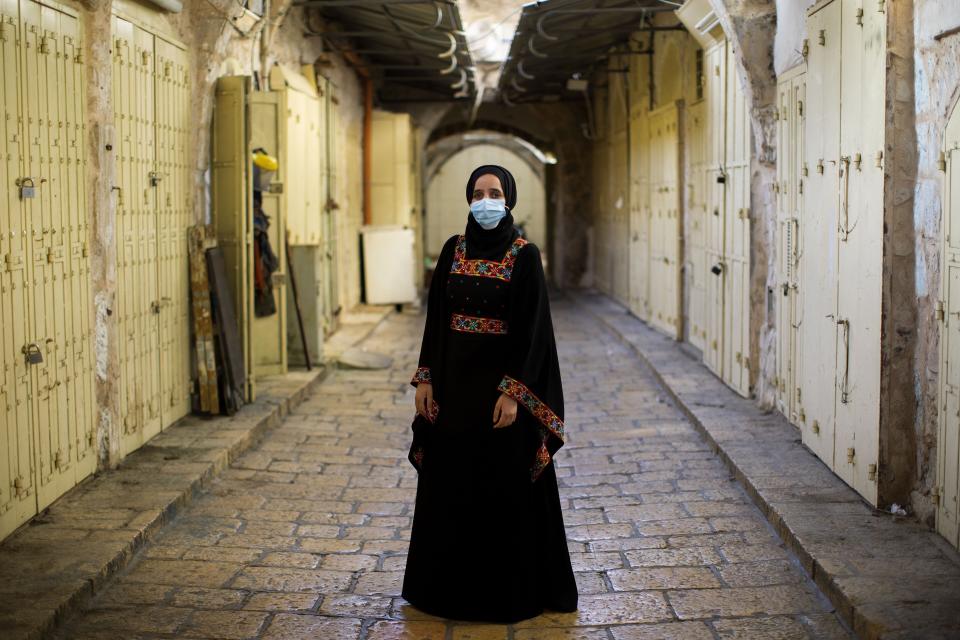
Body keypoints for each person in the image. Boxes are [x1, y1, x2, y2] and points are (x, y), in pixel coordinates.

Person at [401, 164, 578, 623]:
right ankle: (444, 593)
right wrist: (426, 377)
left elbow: (533, 330)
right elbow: (436, 317)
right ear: (468, 198)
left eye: (494, 192)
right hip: (453, 392)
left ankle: (504, 595)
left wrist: (514, 393)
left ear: (509, 198)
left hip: (499, 397)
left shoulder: (524, 254)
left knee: (502, 491)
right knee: (451, 487)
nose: (486, 201)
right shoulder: (451, 250)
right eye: (478, 193)